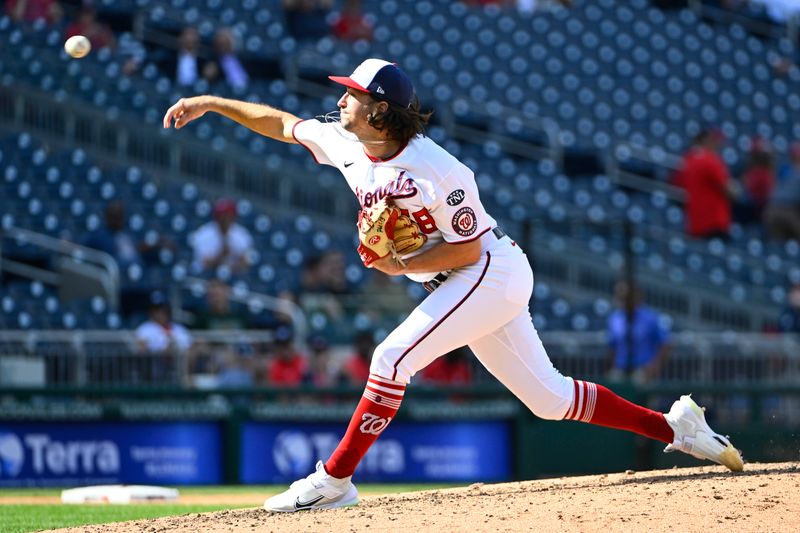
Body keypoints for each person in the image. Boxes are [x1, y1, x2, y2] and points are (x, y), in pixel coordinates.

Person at [163, 58, 744, 512]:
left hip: (488, 269)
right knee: (550, 400)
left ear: (382, 112)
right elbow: (281, 124)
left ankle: (333, 479)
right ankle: (676, 427)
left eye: (354, 94)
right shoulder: (347, 142)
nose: (341, 99)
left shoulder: (440, 170)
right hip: (459, 279)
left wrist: (398, 264)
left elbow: (469, 245)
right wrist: (211, 103)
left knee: (391, 358)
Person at [672, 128, 736, 239]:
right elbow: (730, 191)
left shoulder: (685, 161)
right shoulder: (710, 160)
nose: (717, 145)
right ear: (705, 140)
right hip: (715, 223)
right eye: (714, 140)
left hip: (695, 225)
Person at [606, 281, 671, 385]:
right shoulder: (614, 318)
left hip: (643, 369)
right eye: (620, 297)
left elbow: (665, 344)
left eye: (626, 297)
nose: (623, 300)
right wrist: (611, 367)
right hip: (620, 368)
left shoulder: (650, 317)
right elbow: (612, 347)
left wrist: (654, 367)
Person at [134, 291, 193, 384]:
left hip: (178, 363)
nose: (160, 313)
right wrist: (160, 351)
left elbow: (189, 346)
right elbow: (141, 348)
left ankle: (185, 382)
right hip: (154, 364)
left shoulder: (178, 329)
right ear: (150, 312)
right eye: (156, 310)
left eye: (163, 310)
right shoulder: (145, 328)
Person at [189, 198, 254, 275]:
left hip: (232, 276)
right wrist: (222, 255)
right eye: (222, 216)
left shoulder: (242, 234)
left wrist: (237, 262)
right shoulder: (204, 234)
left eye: (229, 216)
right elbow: (204, 263)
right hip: (205, 275)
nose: (225, 219)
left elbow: (246, 264)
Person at [764, 142, 800, 242]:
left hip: (771, 209)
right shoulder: (786, 169)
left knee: (777, 244)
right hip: (787, 210)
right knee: (776, 244)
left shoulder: (784, 169)